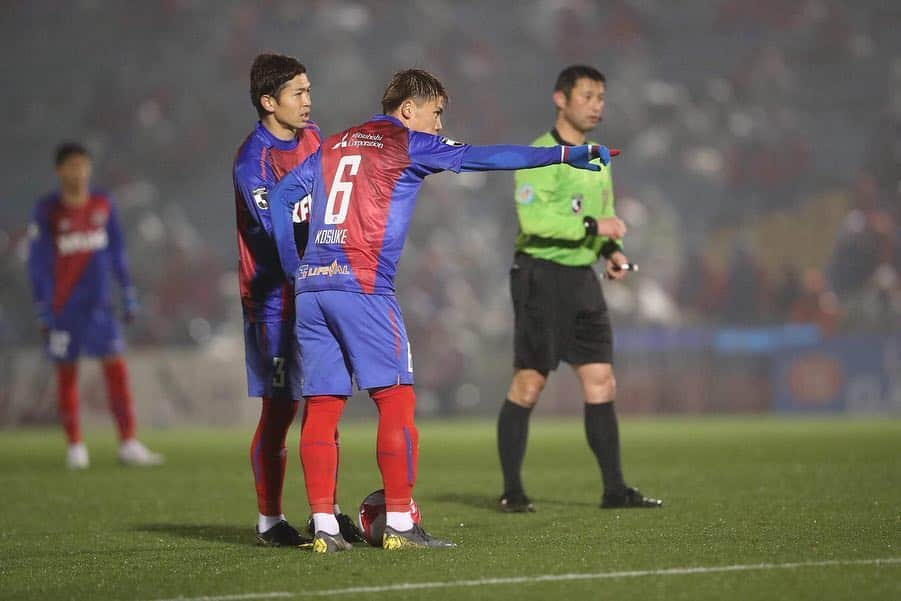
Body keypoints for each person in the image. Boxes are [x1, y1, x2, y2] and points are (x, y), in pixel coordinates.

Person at [268, 68, 615, 552]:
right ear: (409, 109)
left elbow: (284, 196)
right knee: (396, 401)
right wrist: (564, 154)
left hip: (312, 288)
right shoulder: (407, 141)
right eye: (436, 113)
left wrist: (294, 264)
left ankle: (324, 524)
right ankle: (401, 524)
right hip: (364, 286)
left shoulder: (334, 143)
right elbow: (484, 157)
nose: (438, 124)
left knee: (324, 405)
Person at [497, 65, 662, 512]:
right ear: (560, 99)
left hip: (581, 279)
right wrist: (592, 225)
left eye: (601, 97)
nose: (596, 105)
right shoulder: (537, 154)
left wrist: (613, 251)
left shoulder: (596, 157)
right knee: (529, 384)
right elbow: (534, 221)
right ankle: (512, 491)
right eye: (587, 96)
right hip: (540, 275)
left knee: (602, 380)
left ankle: (614, 490)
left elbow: (605, 214)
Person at [233, 53, 362, 547]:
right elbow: (275, 231)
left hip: (318, 289)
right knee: (281, 410)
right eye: (297, 93)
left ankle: (325, 511)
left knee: (326, 402)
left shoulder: (313, 139)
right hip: (273, 303)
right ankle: (270, 521)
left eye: (309, 91)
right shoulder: (253, 162)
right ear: (269, 102)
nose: (308, 102)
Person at [27, 143, 163, 470]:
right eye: (71, 166)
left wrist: (127, 290)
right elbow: (39, 261)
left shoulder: (103, 203)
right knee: (67, 375)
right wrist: (43, 304)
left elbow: (117, 251)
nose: (78, 172)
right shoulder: (48, 210)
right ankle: (75, 446)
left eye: (83, 165)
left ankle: (128, 441)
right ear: (60, 170)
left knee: (116, 371)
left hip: (100, 306)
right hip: (64, 307)